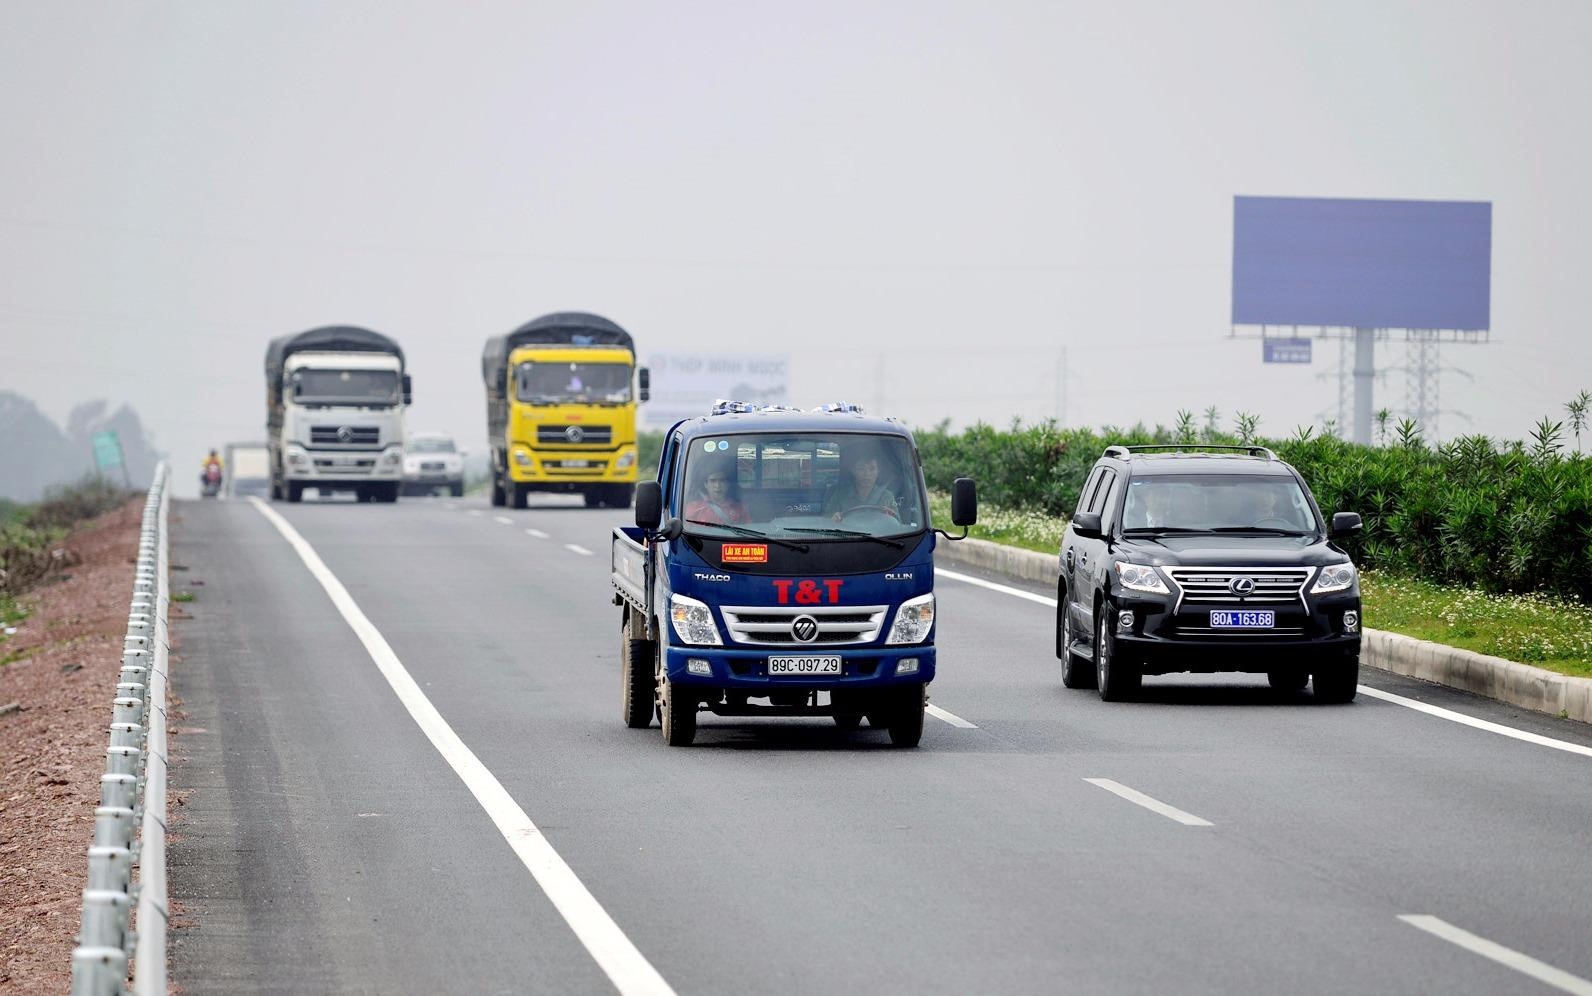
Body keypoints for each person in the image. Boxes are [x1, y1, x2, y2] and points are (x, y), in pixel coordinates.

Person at [822, 444, 897, 522]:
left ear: (878, 471)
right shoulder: (839, 496)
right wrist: (833, 520)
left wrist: (891, 519)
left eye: (872, 468)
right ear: (853, 471)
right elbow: (826, 524)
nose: (867, 473)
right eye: (861, 468)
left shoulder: (887, 497)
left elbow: (898, 527)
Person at [684, 458, 749, 525]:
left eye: (722, 480)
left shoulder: (739, 508)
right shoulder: (694, 508)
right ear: (706, 484)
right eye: (713, 481)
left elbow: (747, 530)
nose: (717, 486)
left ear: (728, 484)